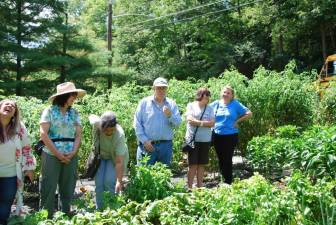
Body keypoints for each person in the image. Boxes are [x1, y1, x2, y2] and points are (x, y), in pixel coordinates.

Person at [39, 82, 86, 218]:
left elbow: (78, 135)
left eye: (75, 95)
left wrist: (73, 152)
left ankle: (64, 217)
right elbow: (43, 134)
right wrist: (58, 154)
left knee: (68, 187)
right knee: (49, 187)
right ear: (64, 96)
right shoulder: (49, 111)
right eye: (72, 95)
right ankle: (46, 218)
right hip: (51, 154)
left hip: (70, 155)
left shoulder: (74, 113)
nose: (74, 97)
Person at [0, 99, 36, 225]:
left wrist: (30, 168)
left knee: (5, 205)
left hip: (11, 175)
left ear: (14, 113)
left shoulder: (19, 128)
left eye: (13, 106)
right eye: (6, 104)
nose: (10, 106)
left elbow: (26, 148)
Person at [134, 77, 182, 165]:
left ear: (166, 89)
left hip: (165, 146)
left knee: (164, 176)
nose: (161, 90)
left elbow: (178, 123)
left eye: (163, 88)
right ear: (153, 88)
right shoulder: (144, 103)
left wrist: (170, 115)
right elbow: (137, 123)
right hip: (147, 145)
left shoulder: (171, 104)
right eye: (159, 88)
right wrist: (144, 141)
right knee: (144, 175)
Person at [210, 85, 252, 184]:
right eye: (224, 92)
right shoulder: (216, 104)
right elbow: (204, 111)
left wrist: (238, 121)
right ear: (221, 93)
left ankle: (228, 182)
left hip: (230, 135)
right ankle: (223, 180)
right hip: (217, 135)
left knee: (227, 159)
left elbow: (249, 113)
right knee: (220, 159)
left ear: (232, 95)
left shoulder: (235, 104)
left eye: (228, 93)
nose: (226, 94)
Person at [88, 111, 129, 210]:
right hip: (101, 157)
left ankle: (111, 209)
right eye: (106, 130)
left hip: (114, 158)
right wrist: (98, 121)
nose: (109, 132)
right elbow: (91, 116)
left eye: (111, 130)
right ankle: (100, 209)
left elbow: (119, 162)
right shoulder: (97, 124)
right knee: (99, 182)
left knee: (109, 182)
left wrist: (119, 181)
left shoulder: (119, 135)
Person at [185, 88, 215, 189]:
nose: (207, 97)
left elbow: (212, 123)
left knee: (202, 164)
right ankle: (189, 187)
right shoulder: (191, 105)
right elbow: (189, 119)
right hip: (193, 140)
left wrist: (198, 122)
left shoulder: (210, 108)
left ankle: (199, 187)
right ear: (200, 95)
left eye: (208, 95)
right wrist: (205, 123)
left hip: (205, 140)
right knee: (193, 165)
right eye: (205, 95)